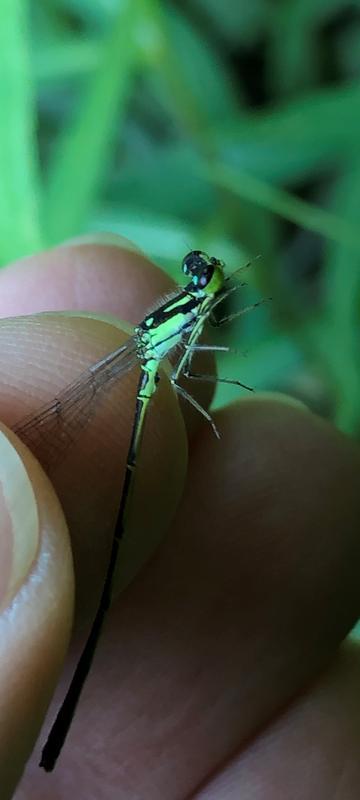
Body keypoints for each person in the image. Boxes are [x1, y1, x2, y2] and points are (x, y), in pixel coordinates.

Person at [0, 236, 359, 799]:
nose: (207, 286)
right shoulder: (177, 319)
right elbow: (188, 361)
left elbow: (191, 350)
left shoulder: (191, 310)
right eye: (202, 282)